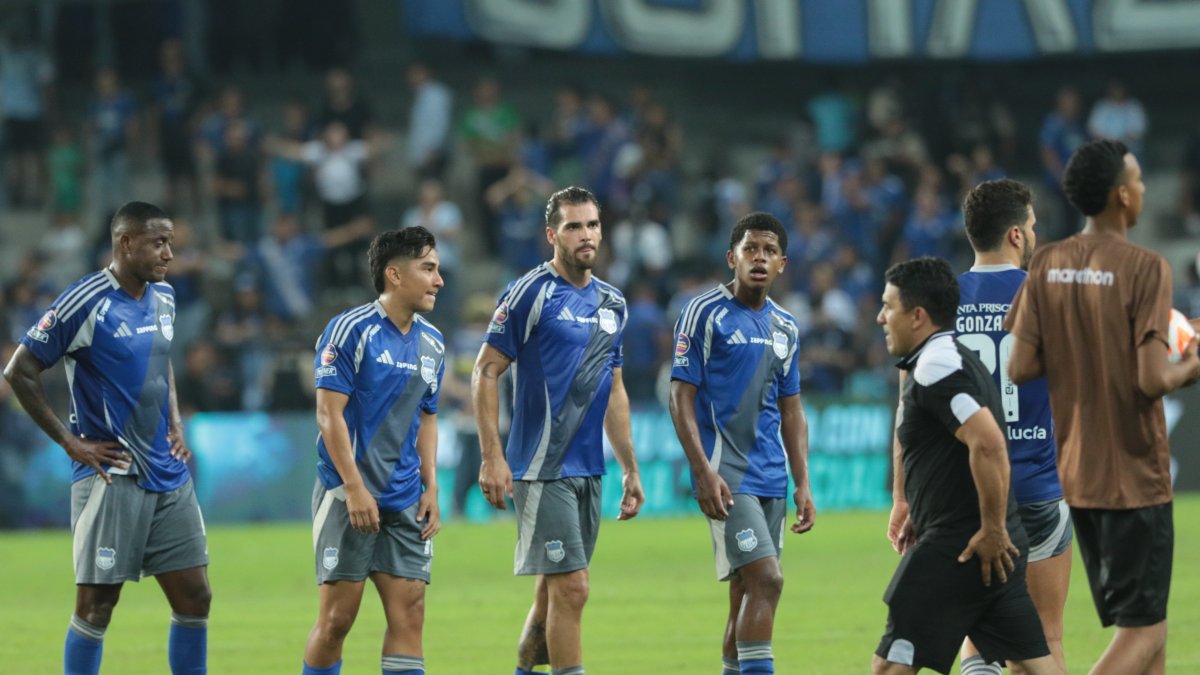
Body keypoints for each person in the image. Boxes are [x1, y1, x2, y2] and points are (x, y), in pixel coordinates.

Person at [1006, 139, 1200, 675]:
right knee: (1146, 632)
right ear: (1121, 195)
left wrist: (1080, 347)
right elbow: (1152, 378)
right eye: (1137, 181)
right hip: (1135, 477)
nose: (1141, 189)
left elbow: (1019, 366)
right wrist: (1193, 361)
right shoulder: (1145, 267)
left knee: (1144, 632)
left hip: (1078, 477)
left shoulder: (1047, 263)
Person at [2, 201, 211, 675]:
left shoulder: (165, 298)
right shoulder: (85, 300)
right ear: (125, 243)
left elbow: (163, 359)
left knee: (196, 597)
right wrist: (69, 443)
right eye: (159, 243)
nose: (169, 254)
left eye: (171, 243)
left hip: (168, 472)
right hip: (112, 475)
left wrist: (175, 421)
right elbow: (20, 371)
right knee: (97, 606)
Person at [471, 186, 645, 675]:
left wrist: (630, 466)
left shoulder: (613, 303)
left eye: (592, 224)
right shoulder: (530, 292)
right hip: (541, 468)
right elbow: (485, 371)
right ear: (552, 235)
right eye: (574, 226)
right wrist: (492, 455)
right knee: (574, 587)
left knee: (552, 597)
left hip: (588, 468)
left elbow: (614, 390)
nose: (586, 235)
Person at [873, 257, 1060, 675]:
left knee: (890, 666)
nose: (880, 317)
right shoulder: (947, 357)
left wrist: (991, 529)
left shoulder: (937, 367)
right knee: (1037, 667)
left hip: (960, 547)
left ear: (918, 316)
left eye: (889, 306)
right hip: (992, 545)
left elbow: (990, 445)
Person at [667, 211, 816, 675]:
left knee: (744, 594)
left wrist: (803, 482)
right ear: (732, 257)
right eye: (751, 249)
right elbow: (680, 395)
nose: (759, 258)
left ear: (782, 264)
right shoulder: (704, 312)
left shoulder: (786, 326)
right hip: (726, 476)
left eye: (769, 251)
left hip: (771, 476)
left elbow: (791, 408)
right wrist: (701, 470)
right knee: (768, 581)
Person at [302, 226, 446, 675]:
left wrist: (432, 486)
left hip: (405, 499)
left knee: (411, 613)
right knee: (337, 621)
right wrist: (354, 487)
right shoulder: (350, 330)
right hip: (347, 497)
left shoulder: (433, 343)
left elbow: (427, 417)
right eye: (428, 269)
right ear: (394, 275)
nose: (439, 280)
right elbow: (329, 415)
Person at [946, 179, 1071, 675]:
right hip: (1039, 488)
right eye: (1034, 226)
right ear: (1016, 235)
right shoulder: (1047, 296)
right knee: (1045, 638)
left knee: (979, 635)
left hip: (969, 493)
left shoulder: (941, 300)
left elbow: (911, 408)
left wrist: (906, 495)